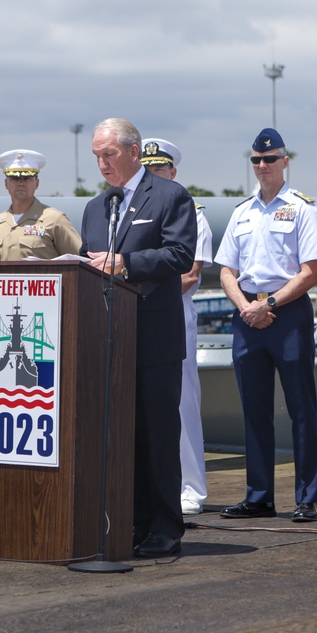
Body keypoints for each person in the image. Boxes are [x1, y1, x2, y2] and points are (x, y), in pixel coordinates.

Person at [79, 118, 197, 558]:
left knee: (157, 436)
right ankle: (130, 521)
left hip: (153, 340)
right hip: (108, 340)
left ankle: (166, 527)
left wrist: (124, 262)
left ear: (134, 151)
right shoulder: (96, 207)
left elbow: (180, 254)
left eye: (108, 154)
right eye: (96, 156)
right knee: (121, 437)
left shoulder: (170, 196)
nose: (102, 163)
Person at [215, 127, 317, 523]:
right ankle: (258, 495)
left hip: (287, 313)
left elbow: (311, 270)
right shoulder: (241, 212)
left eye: (270, 159)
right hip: (247, 316)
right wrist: (247, 307)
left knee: (301, 408)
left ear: (285, 162)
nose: (263, 166)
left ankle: (306, 497)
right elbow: (227, 269)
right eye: (257, 160)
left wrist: (269, 304)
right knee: (254, 410)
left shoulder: (301, 208)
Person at [141, 137, 213, 516]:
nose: (154, 174)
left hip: (172, 313)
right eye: (148, 168)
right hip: (134, 314)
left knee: (181, 404)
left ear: (173, 172)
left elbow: (190, 273)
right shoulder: (134, 210)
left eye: (160, 168)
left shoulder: (190, 212)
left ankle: (191, 488)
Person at [0, 149, 82, 261]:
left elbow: (79, 260)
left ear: (36, 183)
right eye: (15, 178)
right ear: (6, 184)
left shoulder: (55, 219)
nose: (21, 183)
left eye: (27, 178)